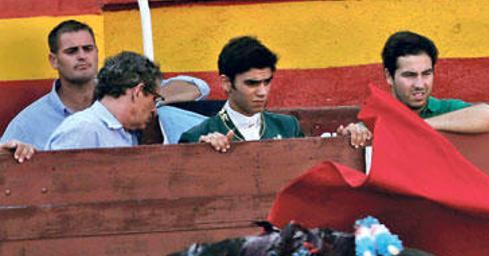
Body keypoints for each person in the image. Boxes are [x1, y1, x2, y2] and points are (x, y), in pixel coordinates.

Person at [0, 19, 210, 149]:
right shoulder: (29, 122)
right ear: (53, 60)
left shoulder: (123, 99)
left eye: (88, 49)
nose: (82, 56)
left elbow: (198, 87)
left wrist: (145, 100)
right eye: (72, 51)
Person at [339, 31, 489, 147]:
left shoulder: (446, 109)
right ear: (389, 76)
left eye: (426, 74)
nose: (420, 84)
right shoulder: (377, 117)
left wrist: (418, 126)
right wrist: (355, 133)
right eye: (409, 75)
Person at [179, 36, 303, 152]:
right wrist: (203, 153)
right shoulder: (196, 137)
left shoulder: (289, 127)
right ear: (227, 83)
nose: (262, 92)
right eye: (252, 83)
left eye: (267, 82)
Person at [46, 51, 163, 150]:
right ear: (138, 91)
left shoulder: (127, 133)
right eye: (154, 99)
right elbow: (58, 175)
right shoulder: (83, 130)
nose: (154, 109)